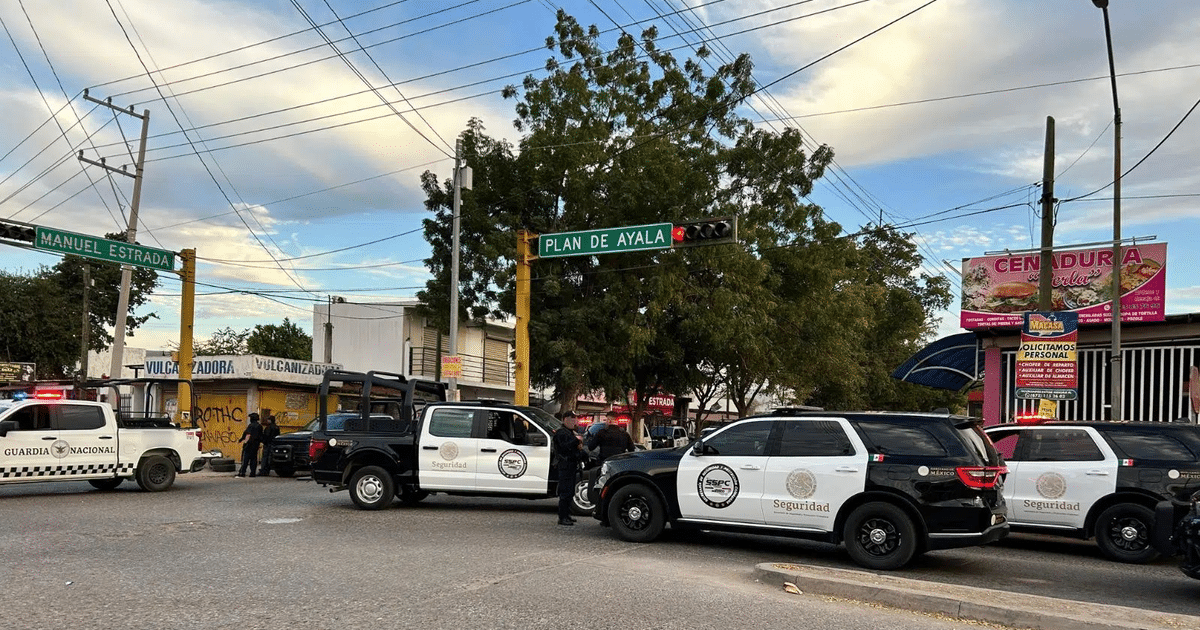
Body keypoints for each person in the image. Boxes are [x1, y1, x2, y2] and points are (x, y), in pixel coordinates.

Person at [552, 411, 585, 526]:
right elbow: (564, 447)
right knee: (565, 492)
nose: (574, 422)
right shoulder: (561, 433)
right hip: (564, 465)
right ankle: (562, 517)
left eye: (575, 419)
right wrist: (576, 441)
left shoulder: (570, 432)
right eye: (571, 419)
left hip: (571, 465)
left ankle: (567, 515)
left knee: (570, 491)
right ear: (565, 419)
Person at [237, 412, 264, 477]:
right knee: (254, 459)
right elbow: (261, 436)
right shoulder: (260, 426)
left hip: (249, 445)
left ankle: (242, 472)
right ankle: (252, 473)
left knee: (245, 459)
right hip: (255, 445)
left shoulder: (251, 426)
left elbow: (247, 434)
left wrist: (242, 440)